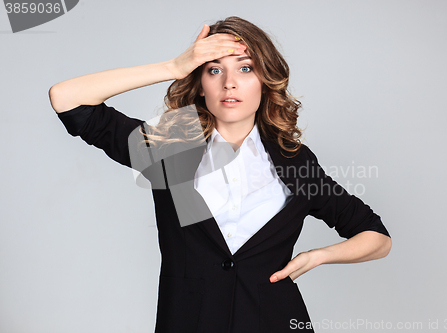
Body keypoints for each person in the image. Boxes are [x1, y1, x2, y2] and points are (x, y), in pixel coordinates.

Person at [49, 16, 391, 333]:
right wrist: (174, 66)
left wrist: (316, 256)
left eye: (245, 69)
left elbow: (376, 237)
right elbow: (66, 98)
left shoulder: (294, 159)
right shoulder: (170, 144)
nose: (229, 83)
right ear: (199, 84)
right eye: (214, 71)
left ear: (265, 81)